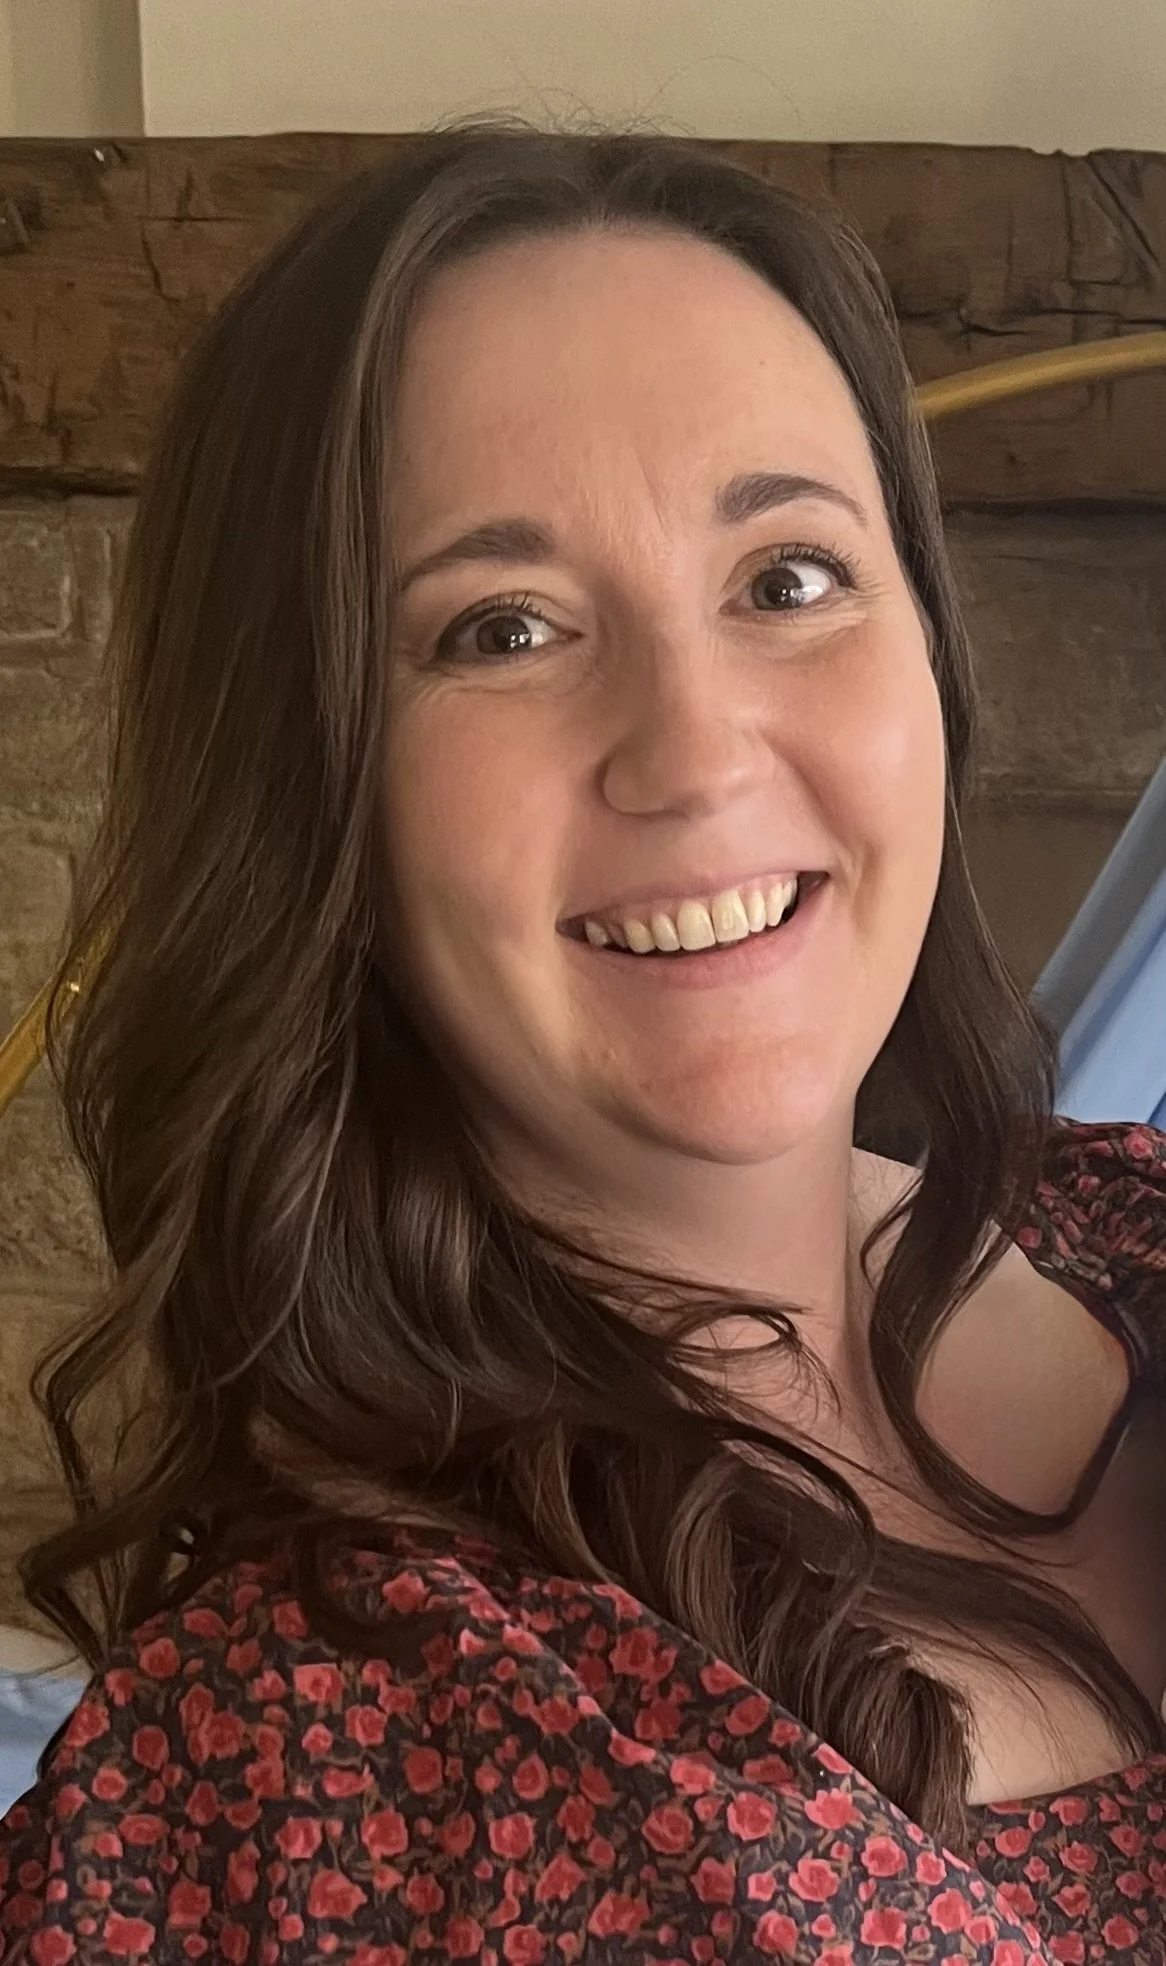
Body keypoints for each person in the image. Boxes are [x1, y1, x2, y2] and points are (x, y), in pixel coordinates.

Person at [2, 121, 1165, 1965]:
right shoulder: (276, 1769)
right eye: (503, 626)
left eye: (786, 578)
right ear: (312, 791)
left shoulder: (1138, 1235)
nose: (692, 751)